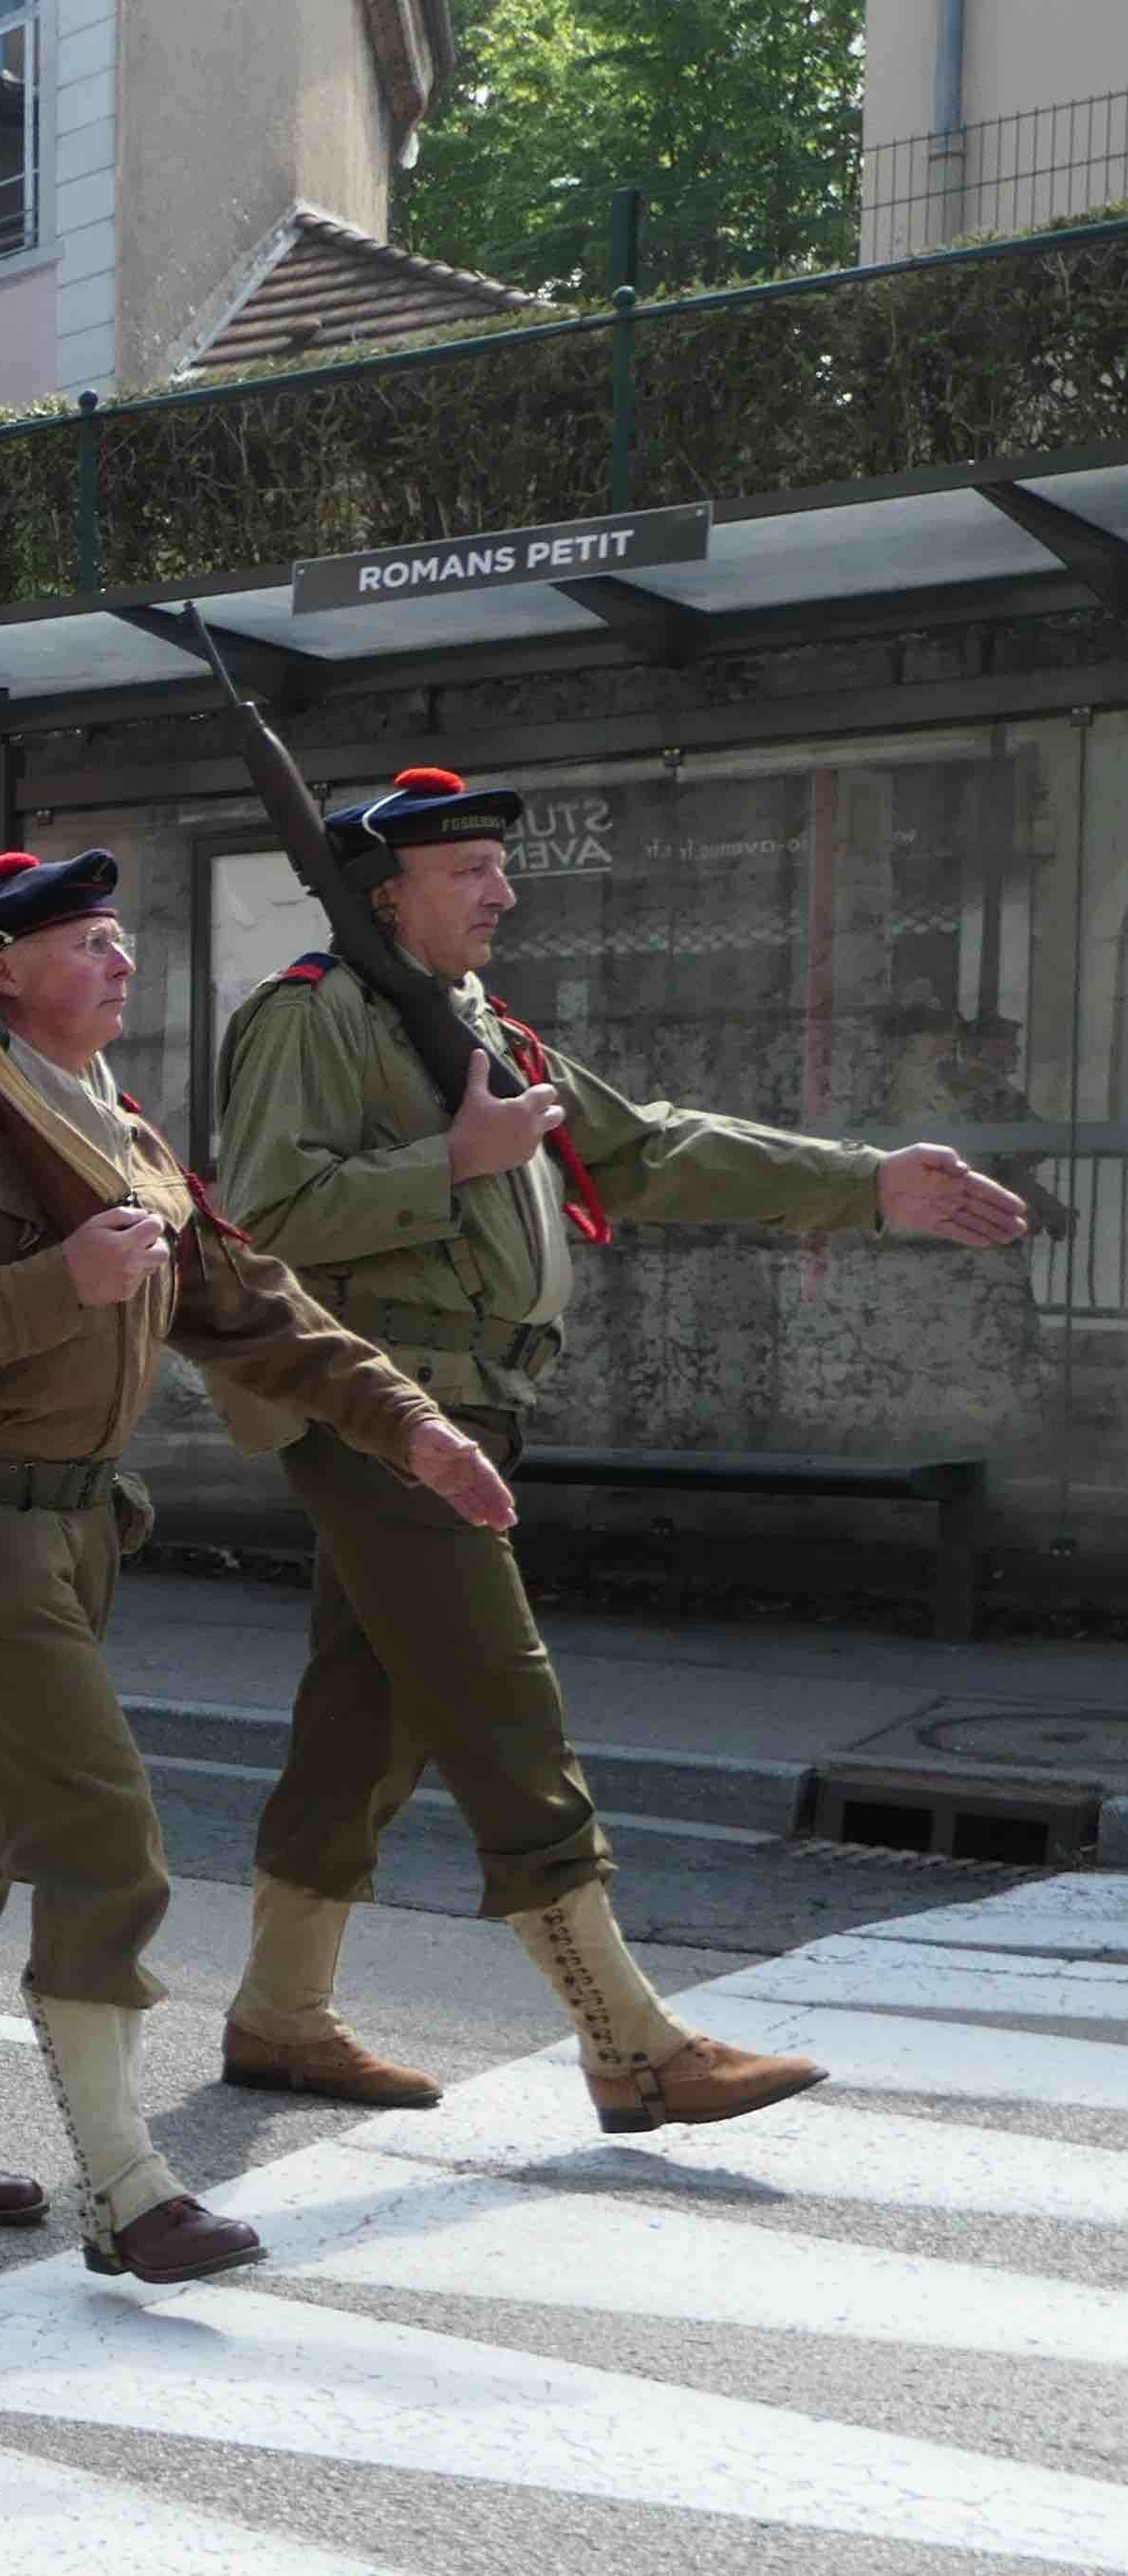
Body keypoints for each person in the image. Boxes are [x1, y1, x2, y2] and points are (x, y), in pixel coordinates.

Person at [208, 767, 1034, 2133]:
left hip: (467, 1409)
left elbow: (641, 1150)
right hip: (381, 1411)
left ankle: (279, 2016)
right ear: (382, 895)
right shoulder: (314, 1016)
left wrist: (863, 1180)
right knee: (499, 1702)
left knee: (366, 1719)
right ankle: (627, 2042)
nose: (501, 890)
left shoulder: (477, 1028)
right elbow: (261, 1221)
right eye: (466, 868)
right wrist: (455, 1163)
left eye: (493, 865)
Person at [0, 847, 510, 2284]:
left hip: (71, 1526)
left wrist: (408, 1425)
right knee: (98, 1832)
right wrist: (48, 1283)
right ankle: (124, 2186)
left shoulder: (115, 1132)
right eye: (83, 941)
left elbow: (258, 1310)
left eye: (120, 939)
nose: (120, 961)